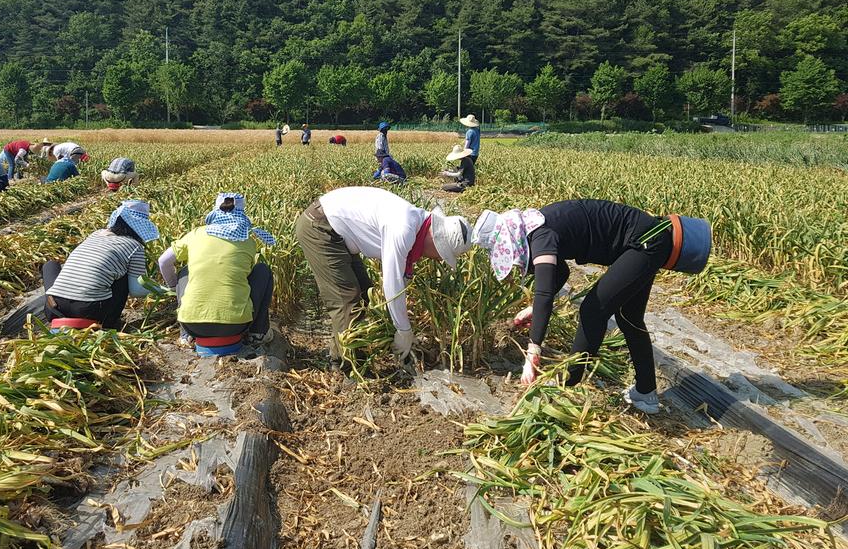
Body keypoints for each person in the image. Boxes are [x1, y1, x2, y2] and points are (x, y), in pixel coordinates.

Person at [472, 200, 711, 414]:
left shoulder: (541, 236)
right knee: (629, 316)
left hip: (645, 242)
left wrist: (533, 352)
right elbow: (560, 273)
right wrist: (534, 309)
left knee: (593, 310)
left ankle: (568, 383)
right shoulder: (537, 226)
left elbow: (544, 293)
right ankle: (645, 394)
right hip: (646, 241)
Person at [295, 186, 471, 364]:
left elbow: (399, 281)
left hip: (336, 232)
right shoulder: (403, 229)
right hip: (320, 227)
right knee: (347, 301)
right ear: (436, 241)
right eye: (442, 254)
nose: (439, 259)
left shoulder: (417, 224)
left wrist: (403, 328)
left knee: (365, 294)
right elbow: (392, 286)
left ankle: (344, 352)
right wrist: (404, 331)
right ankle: (345, 365)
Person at [158, 193, 276, 349]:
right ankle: (257, 333)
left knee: (185, 271)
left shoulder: (196, 234)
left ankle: (185, 336)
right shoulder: (247, 240)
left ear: (215, 212)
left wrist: (174, 288)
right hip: (237, 325)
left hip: (191, 325)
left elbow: (163, 261)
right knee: (262, 270)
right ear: (241, 213)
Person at [42, 200, 158, 329]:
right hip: (89, 312)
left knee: (50, 265)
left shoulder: (96, 234)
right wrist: (163, 289)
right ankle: (110, 323)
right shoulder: (134, 246)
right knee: (123, 274)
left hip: (54, 309)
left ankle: (56, 295)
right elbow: (137, 290)